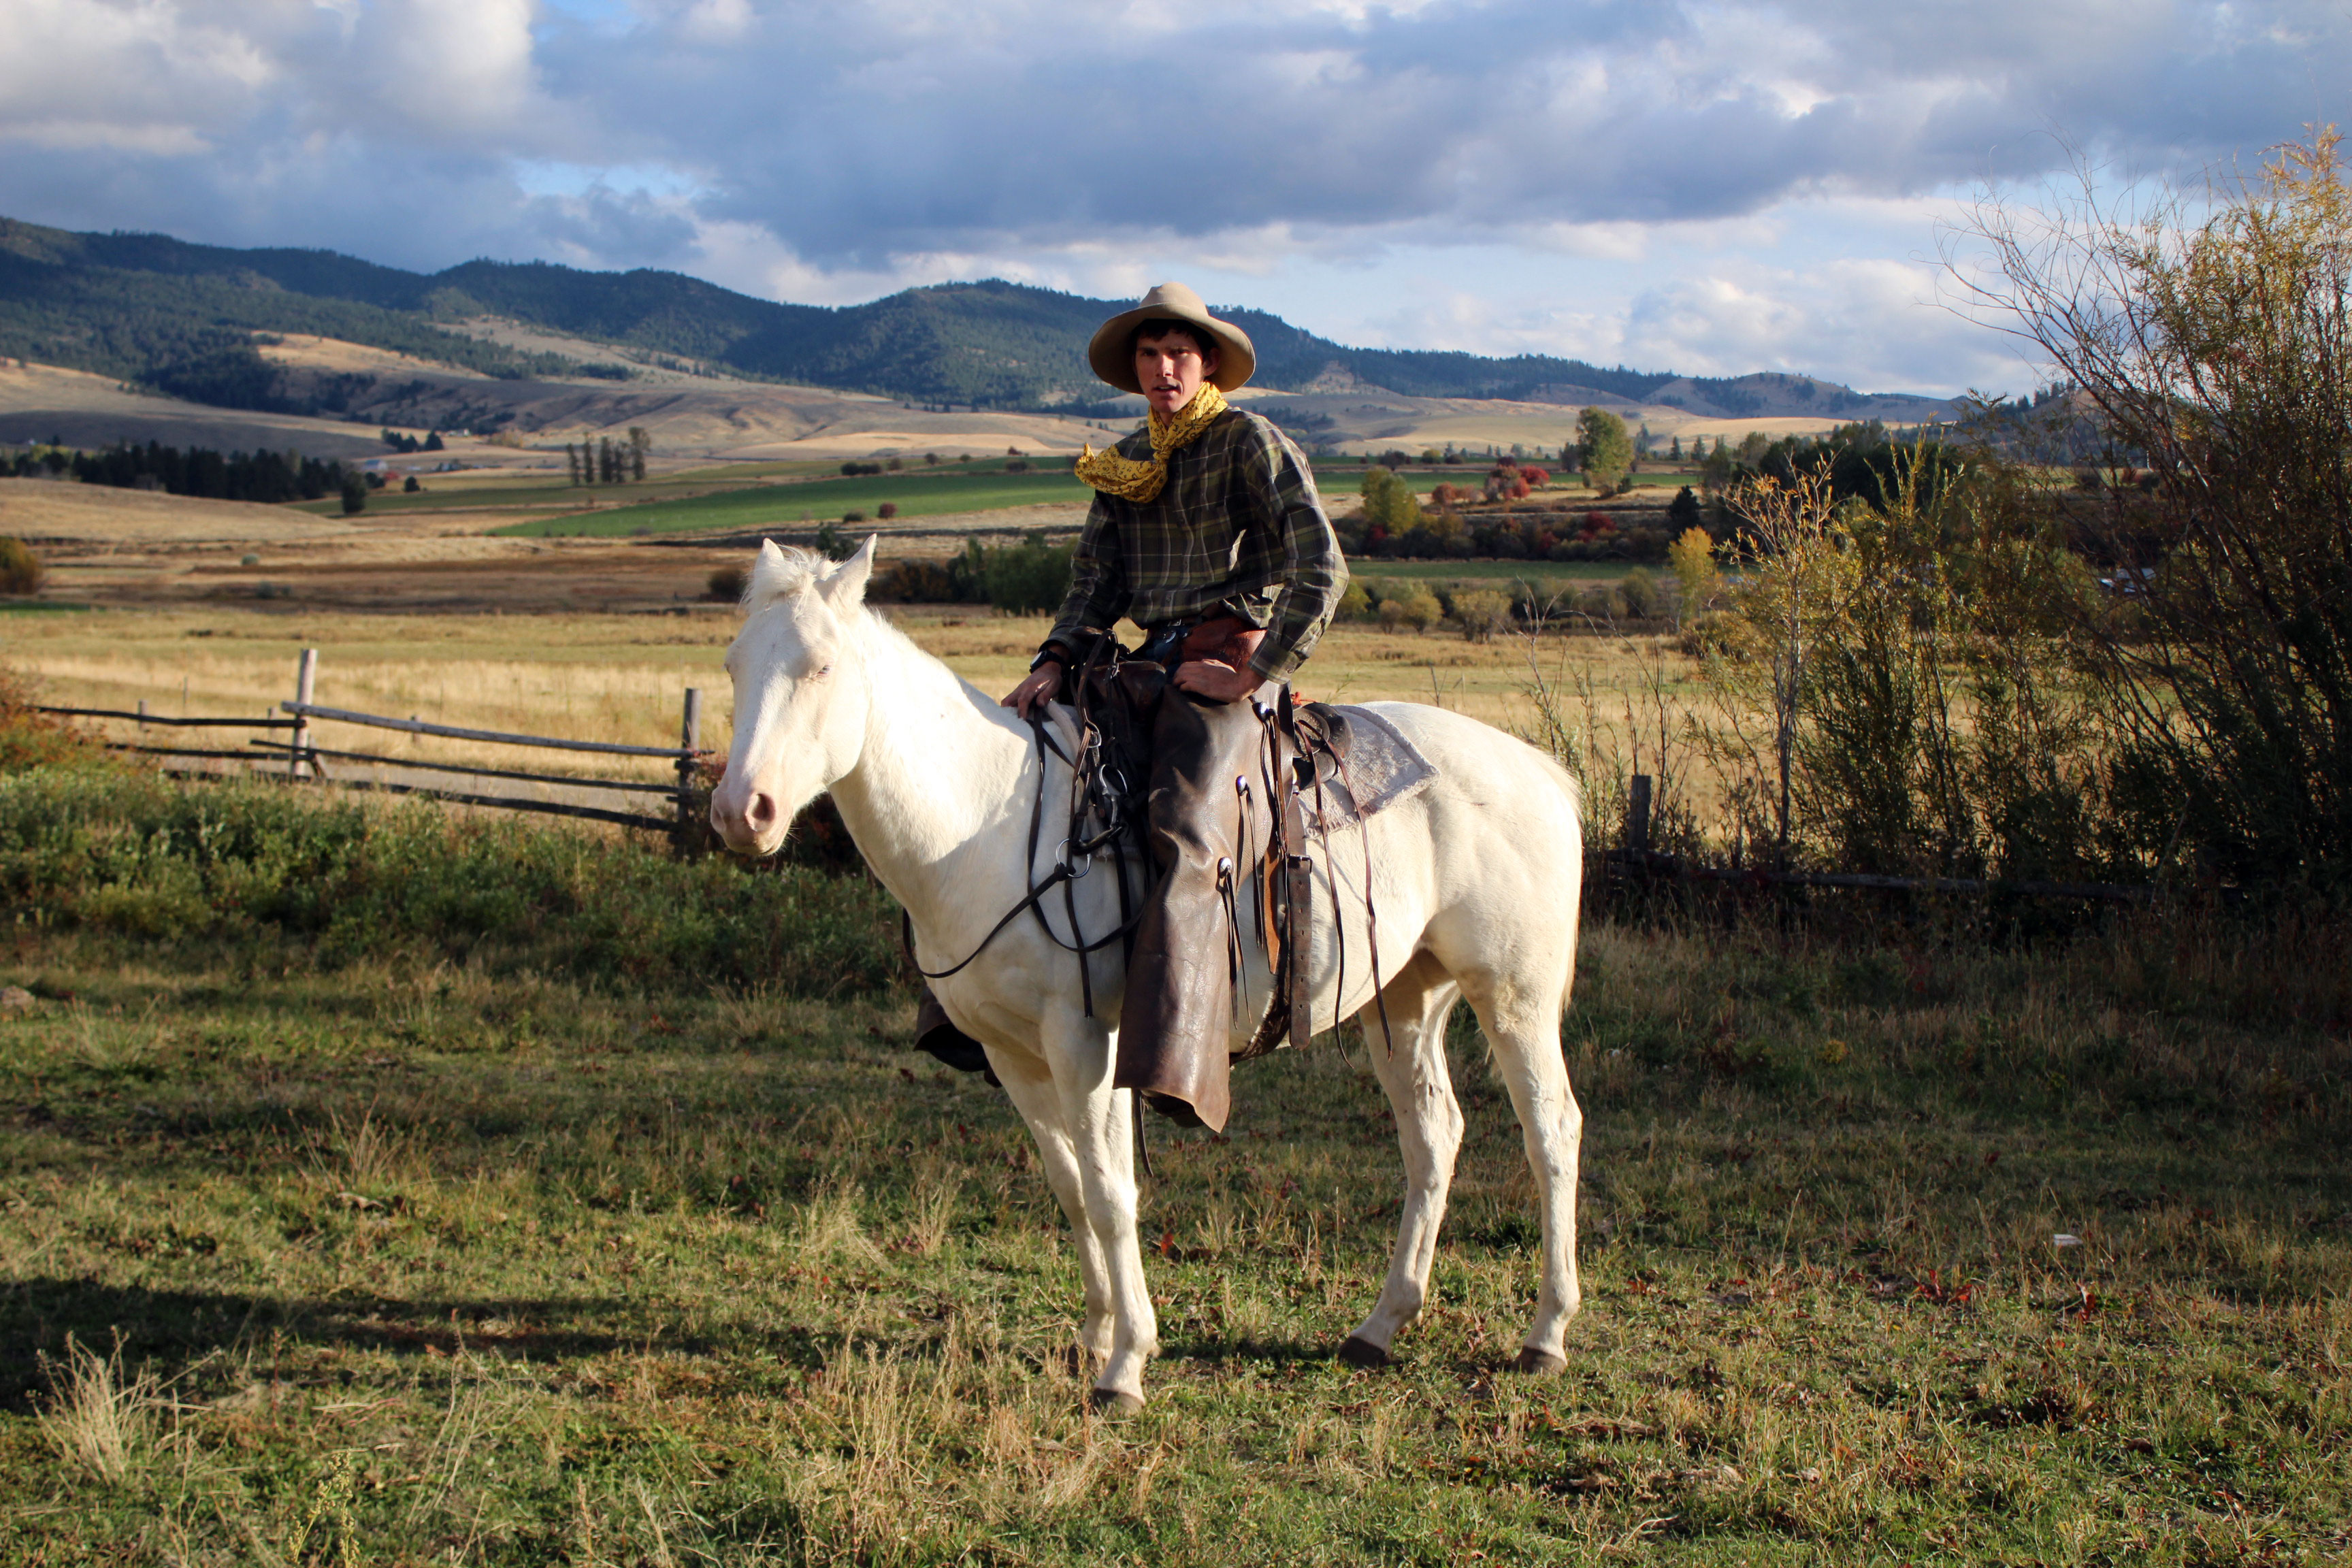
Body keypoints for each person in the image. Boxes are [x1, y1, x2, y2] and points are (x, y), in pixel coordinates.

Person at [994, 280, 1348, 1130]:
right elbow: (1094, 583)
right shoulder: (1124, 462)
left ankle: (1181, 1053)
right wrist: (1053, 658)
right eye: (1150, 356)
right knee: (1033, 781)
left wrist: (1256, 670)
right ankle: (983, 1005)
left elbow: (1322, 567)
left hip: (1223, 654)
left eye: (1178, 354)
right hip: (1141, 662)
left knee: (1189, 827)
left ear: (1209, 362)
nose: (1163, 369)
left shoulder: (1248, 442)